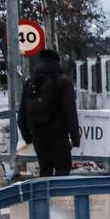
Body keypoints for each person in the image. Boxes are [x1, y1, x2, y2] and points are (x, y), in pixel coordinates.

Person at [18, 49, 80, 177]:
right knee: (62, 167)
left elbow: (22, 113)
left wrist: (28, 137)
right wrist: (75, 138)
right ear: (57, 62)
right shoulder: (63, 82)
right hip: (58, 135)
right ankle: (58, 196)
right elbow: (70, 112)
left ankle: (45, 196)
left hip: (38, 135)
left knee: (45, 169)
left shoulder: (30, 83)